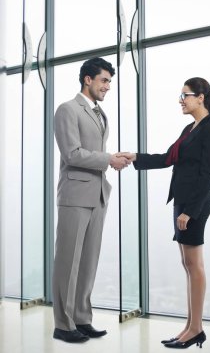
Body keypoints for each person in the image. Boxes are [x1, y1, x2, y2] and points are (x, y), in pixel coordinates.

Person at [119, 77, 210, 349]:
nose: (181, 100)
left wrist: (189, 211)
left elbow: (209, 175)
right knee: (188, 266)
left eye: (185, 95)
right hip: (182, 203)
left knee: (195, 266)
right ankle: (190, 327)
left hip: (194, 205)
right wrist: (136, 157)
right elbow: (168, 158)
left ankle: (196, 329)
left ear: (201, 97)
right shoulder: (191, 128)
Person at [53, 57, 130, 343]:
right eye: (104, 80)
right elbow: (71, 153)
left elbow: (94, 151)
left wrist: (111, 159)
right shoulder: (67, 110)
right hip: (74, 195)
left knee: (88, 261)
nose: (108, 86)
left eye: (109, 81)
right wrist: (108, 159)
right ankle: (63, 323)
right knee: (67, 261)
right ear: (88, 79)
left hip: (97, 195)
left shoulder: (99, 113)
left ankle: (82, 319)